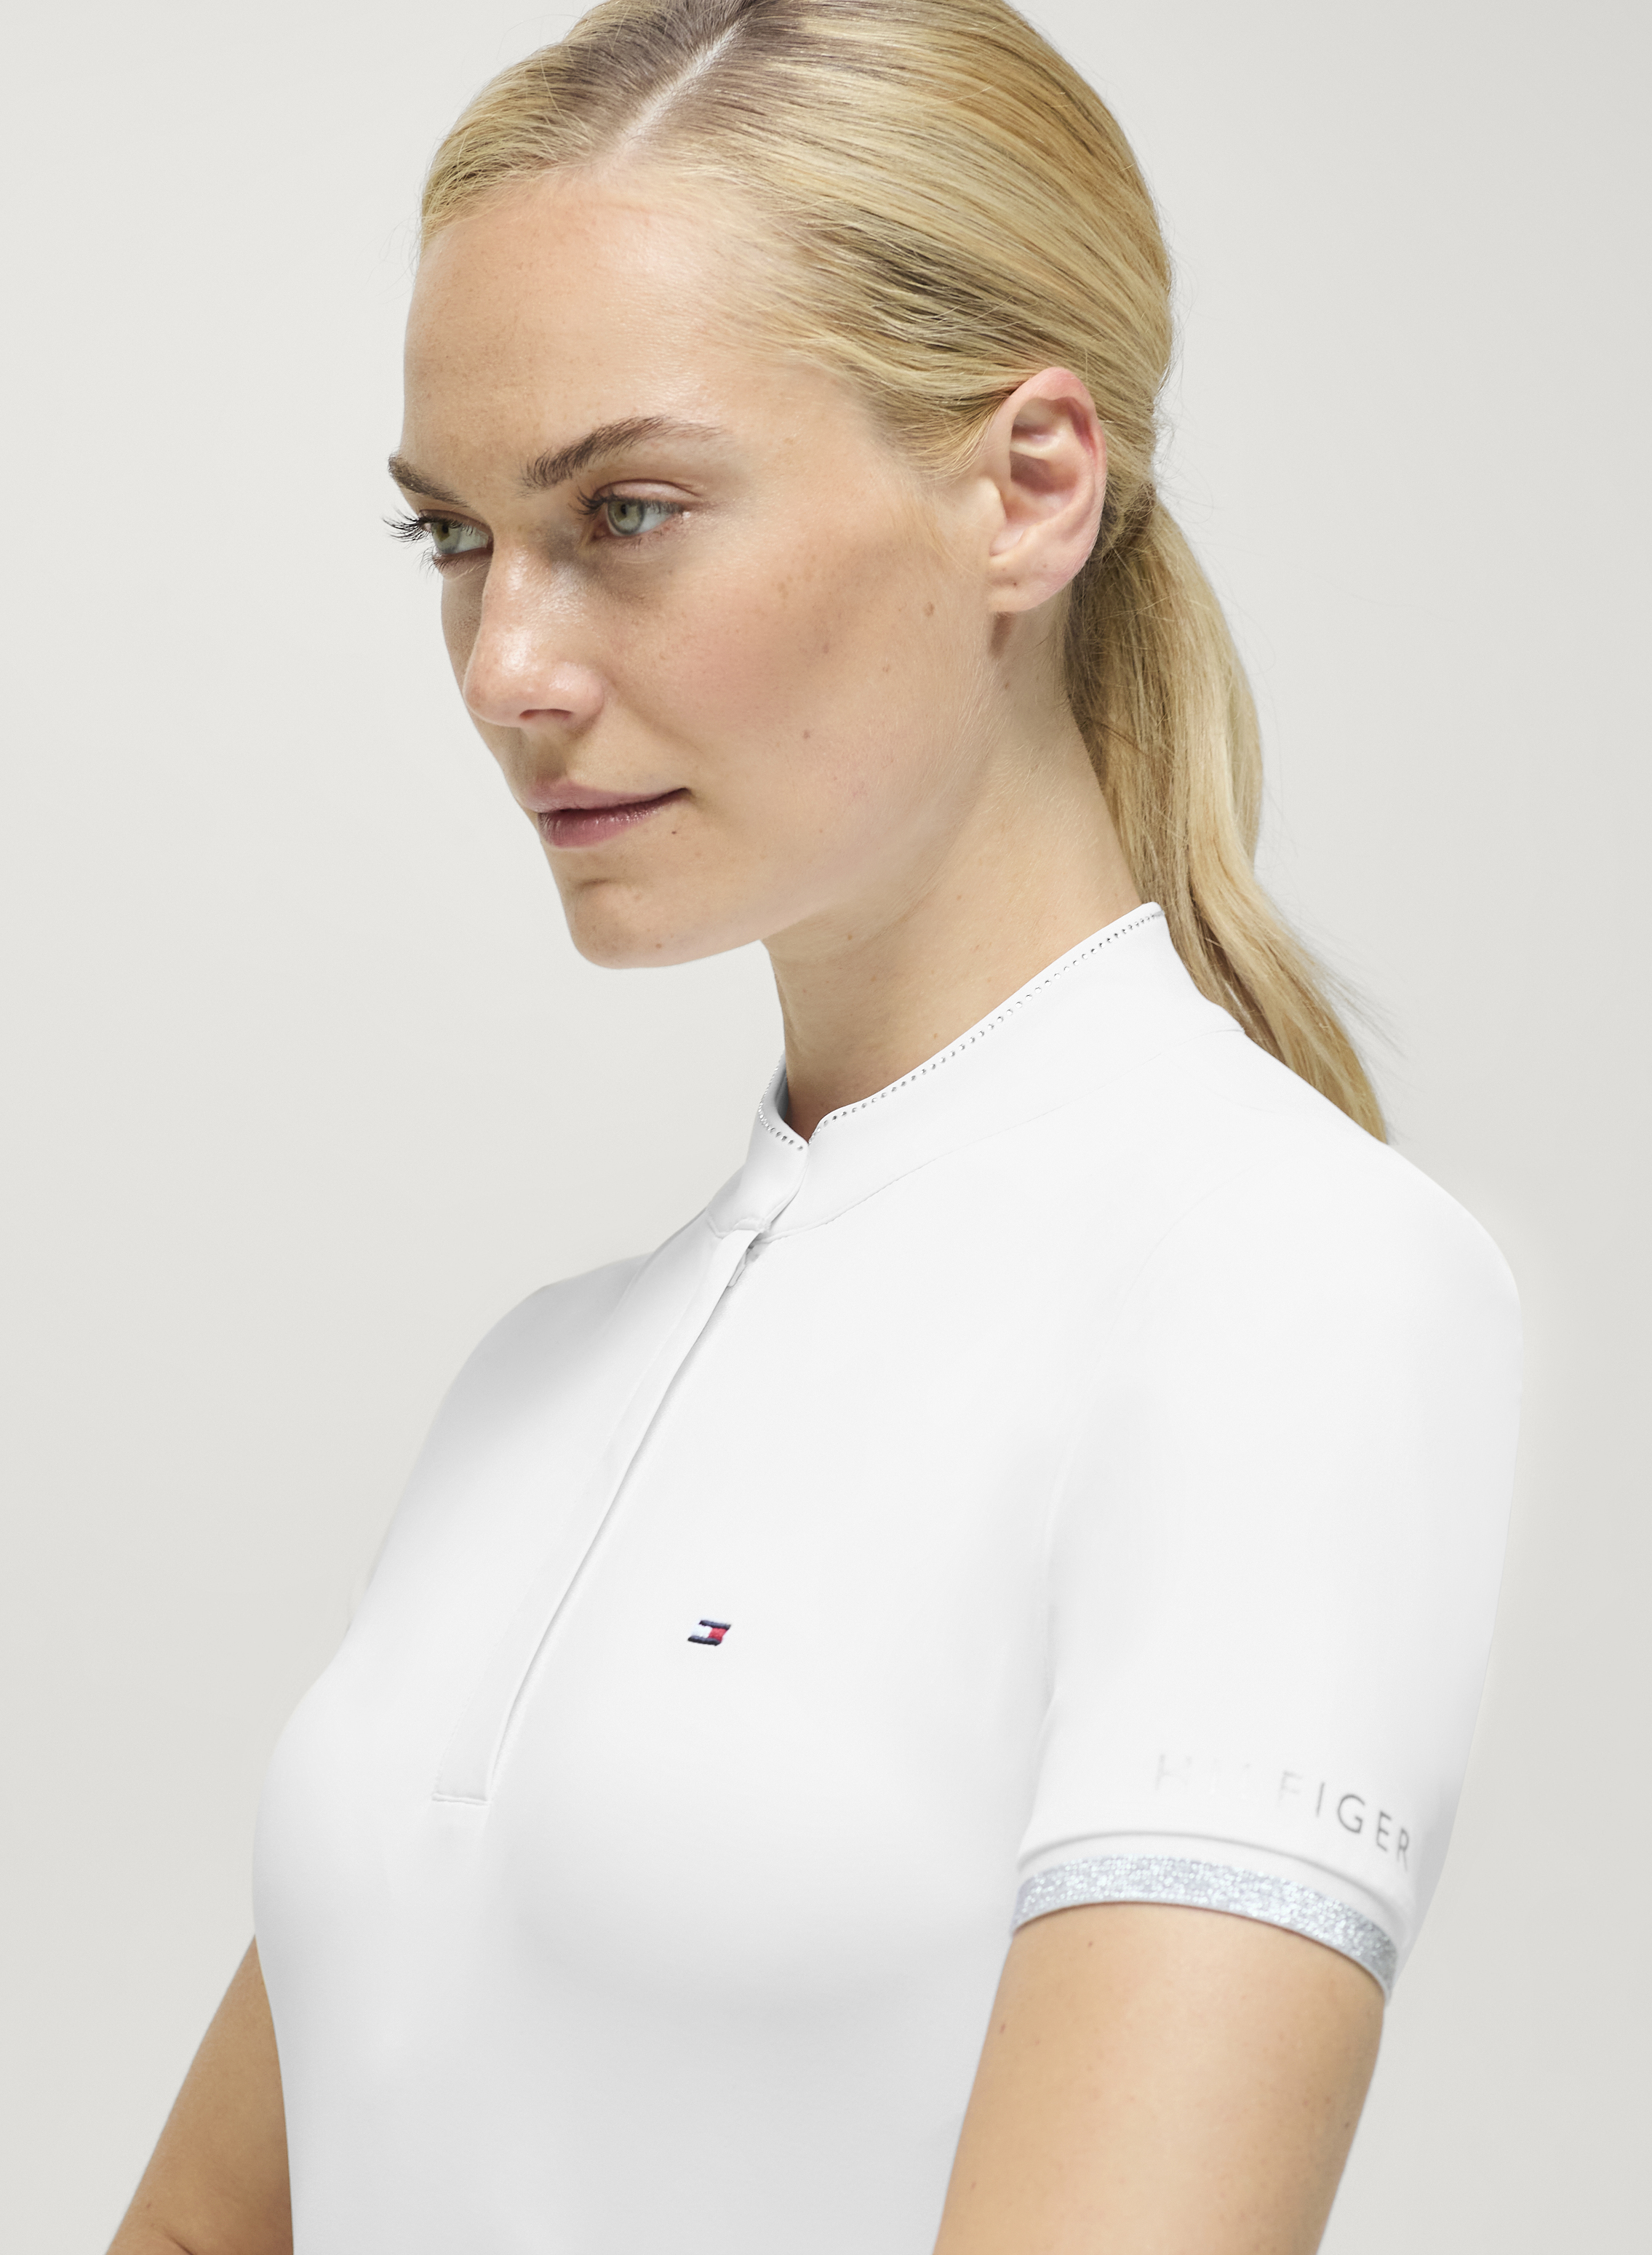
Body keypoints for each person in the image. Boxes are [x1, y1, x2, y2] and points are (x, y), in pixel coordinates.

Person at [109, 3, 1521, 2250]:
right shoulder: (534, 1386)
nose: (506, 665)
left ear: (1030, 488)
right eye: (456, 535)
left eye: (626, 512)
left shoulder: (1287, 1282)